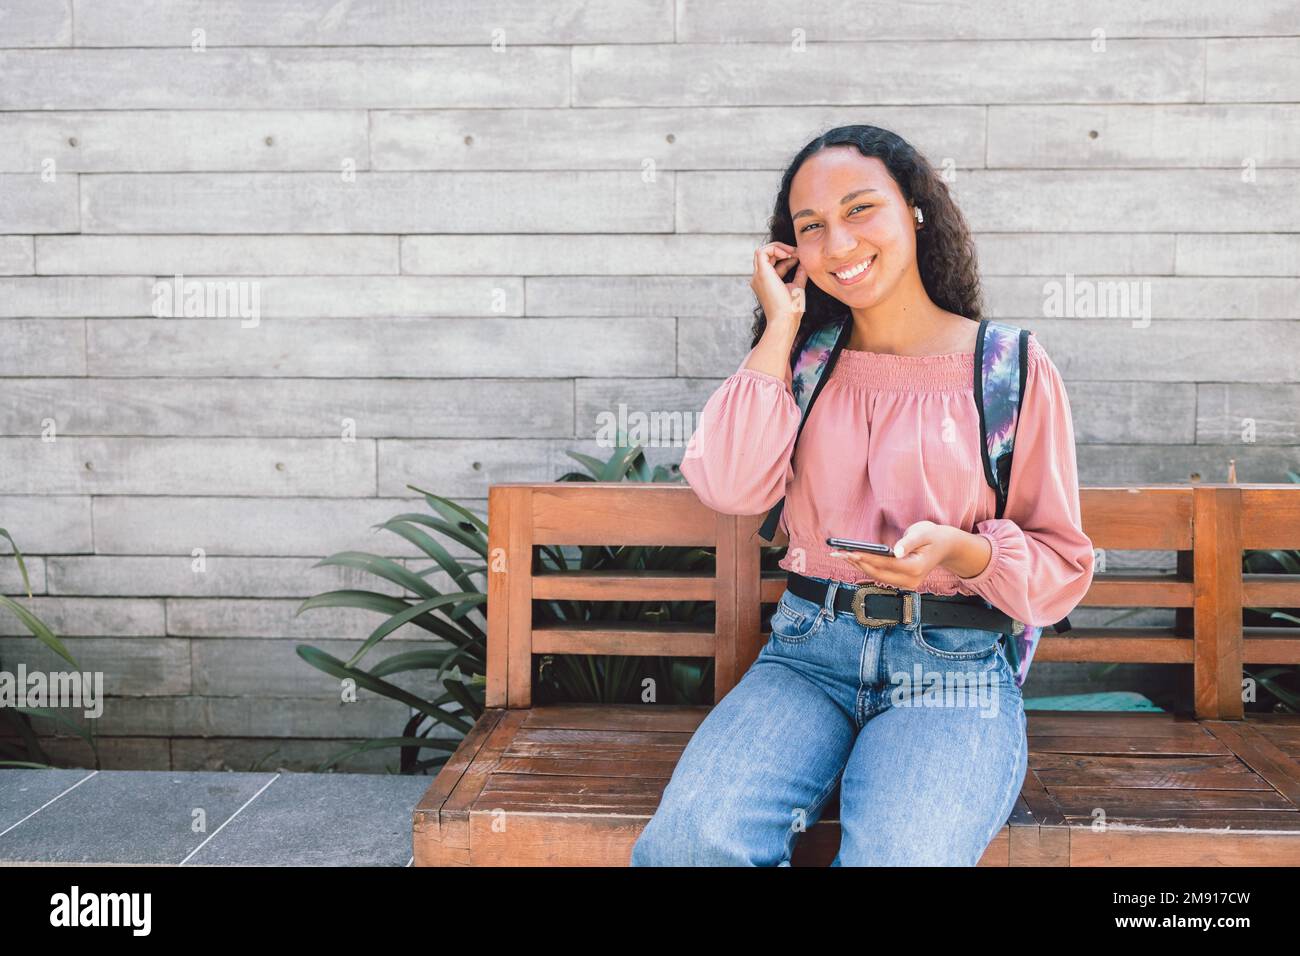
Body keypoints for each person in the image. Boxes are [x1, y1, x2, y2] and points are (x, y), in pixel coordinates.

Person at [630, 125, 1095, 866]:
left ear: (913, 209)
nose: (837, 243)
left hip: (951, 666)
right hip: (807, 656)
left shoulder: (1006, 367)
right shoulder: (805, 363)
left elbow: (1061, 566)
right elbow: (728, 484)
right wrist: (779, 329)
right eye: (810, 227)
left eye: (859, 210)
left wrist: (966, 554)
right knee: (689, 846)